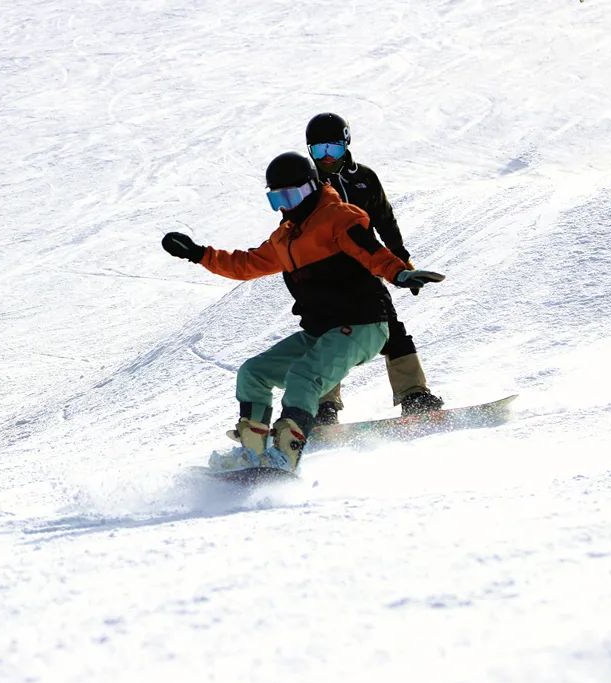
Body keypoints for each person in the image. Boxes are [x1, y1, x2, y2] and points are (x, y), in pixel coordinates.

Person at [161, 152, 444, 471]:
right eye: (277, 198)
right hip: (320, 333)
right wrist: (199, 255)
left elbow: (371, 250)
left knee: (302, 378)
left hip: (362, 324)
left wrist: (399, 273)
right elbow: (245, 264)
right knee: (253, 373)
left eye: (293, 195)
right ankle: (254, 451)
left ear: (312, 188)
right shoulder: (284, 239)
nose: (287, 204)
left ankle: (286, 455)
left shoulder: (339, 217)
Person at [304, 112, 444, 424]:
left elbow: (385, 221)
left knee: (390, 330)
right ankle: (324, 406)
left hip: (365, 271)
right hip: (323, 276)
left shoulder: (364, 180)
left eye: (334, 149)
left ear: (346, 144)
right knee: (328, 336)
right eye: (319, 151)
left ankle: (414, 395)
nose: (327, 158)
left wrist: (402, 262)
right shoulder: (306, 187)